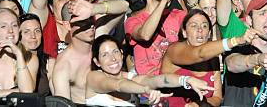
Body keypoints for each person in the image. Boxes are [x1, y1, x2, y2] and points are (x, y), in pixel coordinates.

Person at [85, 35, 214, 107]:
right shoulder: (94, 77)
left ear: (122, 53)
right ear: (97, 62)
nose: (113, 58)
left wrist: (186, 80)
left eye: (115, 52)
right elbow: (118, 85)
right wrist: (146, 90)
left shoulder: (131, 77)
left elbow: (158, 80)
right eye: (105, 55)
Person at [161, 9, 255, 106]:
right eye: (194, 25)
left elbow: (217, 97)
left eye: (204, 26)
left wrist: (199, 105)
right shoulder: (174, 50)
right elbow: (200, 53)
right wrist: (237, 40)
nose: (200, 29)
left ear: (209, 33)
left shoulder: (213, 59)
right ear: (184, 32)